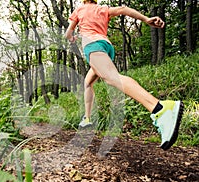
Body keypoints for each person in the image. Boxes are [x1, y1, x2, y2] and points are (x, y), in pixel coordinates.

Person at [65, 0, 184, 150]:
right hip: (106, 46)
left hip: (92, 46)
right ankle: (87, 118)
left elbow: (68, 32)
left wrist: (71, 38)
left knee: (111, 78)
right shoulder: (102, 9)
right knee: (88, 82)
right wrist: (146, 19)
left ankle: (160, 108)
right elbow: (123, 9)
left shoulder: (80, 9)